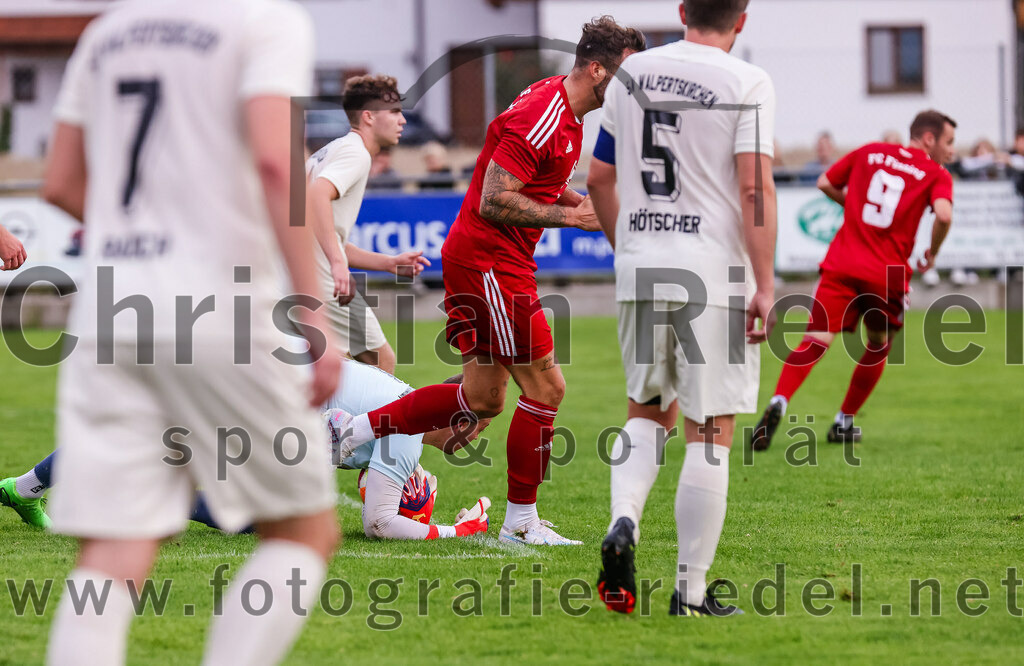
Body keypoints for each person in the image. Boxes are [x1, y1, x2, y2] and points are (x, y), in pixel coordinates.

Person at [39, 1, 342, 664]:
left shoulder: (107, 31)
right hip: (218, 308)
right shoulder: (265, 21)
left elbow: (59, 181)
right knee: (302, 530)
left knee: (114, 551)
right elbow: (274, 162)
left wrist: (146, 232)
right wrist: (313, 313)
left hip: (111, 308)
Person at [331, 16, 645, 546]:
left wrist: (575, 200)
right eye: (629, 75)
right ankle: (520, 524)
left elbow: (536, 180)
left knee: (482, 399)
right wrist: (573, 218)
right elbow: (494, 197)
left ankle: (352, 430)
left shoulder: (566, 112)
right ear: (597, 70)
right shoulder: (546, 113)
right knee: (546, 388)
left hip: (492, 262)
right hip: (491, 264)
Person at [586, 0, 777, 617]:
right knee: (710, 430)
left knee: (645, 412)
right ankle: (689, 593)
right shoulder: (746, 80)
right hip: (711, 270)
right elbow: (753, 187)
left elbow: (598, 179)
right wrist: (767, 283)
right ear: (741, 19)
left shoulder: (632, 73)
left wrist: (629, 250)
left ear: (682, 9)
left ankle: (623, 522)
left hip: (643, 262)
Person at [3, 361, 491, 541]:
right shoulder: (406, 434)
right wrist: (451, 530)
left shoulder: (404, 415)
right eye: (477, 423)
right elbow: (380, 523)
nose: (475, 437)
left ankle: (26, 488)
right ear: (455, 416)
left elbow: (359, 466)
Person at [751, 110, 956, 450]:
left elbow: (824, 182)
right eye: (948, 143)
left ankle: (780, 400)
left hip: (843, 262)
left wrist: (854, 207)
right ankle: (843, 421)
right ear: (929, 139)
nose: (951, 152)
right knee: (878, 344)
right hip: (886, 274)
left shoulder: (869, 151)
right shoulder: (936, 173)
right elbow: (944, 215)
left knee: (814, 339)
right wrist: (932, 252)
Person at [307, 74, 430, 373]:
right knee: (380, 359)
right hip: (321, 278)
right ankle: (361, 423)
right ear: (369, 117)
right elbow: (316, 195)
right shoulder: (355, 154)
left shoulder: (333, 150)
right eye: (395, 111)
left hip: (298, 273)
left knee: (330, 370)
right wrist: (338, 265)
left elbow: (321, 232)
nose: (402, 120)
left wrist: (388, 263)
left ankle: (333, 421)